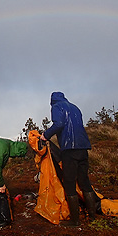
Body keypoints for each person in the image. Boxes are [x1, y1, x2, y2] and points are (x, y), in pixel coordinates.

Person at [40, 92, 96, 227]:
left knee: (69, 183)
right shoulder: (75, 107)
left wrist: (45, 135)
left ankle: (75, 221)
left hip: (69, 149)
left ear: (52, 101)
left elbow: (59, 124)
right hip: (83, 147)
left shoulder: (57, 107)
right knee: (84, 181)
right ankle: (93, 217)